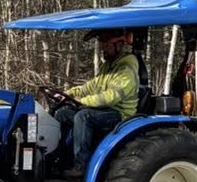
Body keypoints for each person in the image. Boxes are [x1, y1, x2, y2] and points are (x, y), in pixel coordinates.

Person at [48, 27, 141, 171]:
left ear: (120, 44)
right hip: (104, 111)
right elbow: (89, 87)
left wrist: (83, 101)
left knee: (83, 116)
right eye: (102, 44)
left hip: (119, 114)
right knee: (63, 113)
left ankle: (80, 166)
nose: (103, 48)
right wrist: (67, 94)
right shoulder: (108, 66)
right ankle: (59, 158)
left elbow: (111, 97)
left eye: (107, 44)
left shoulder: (126, 69)